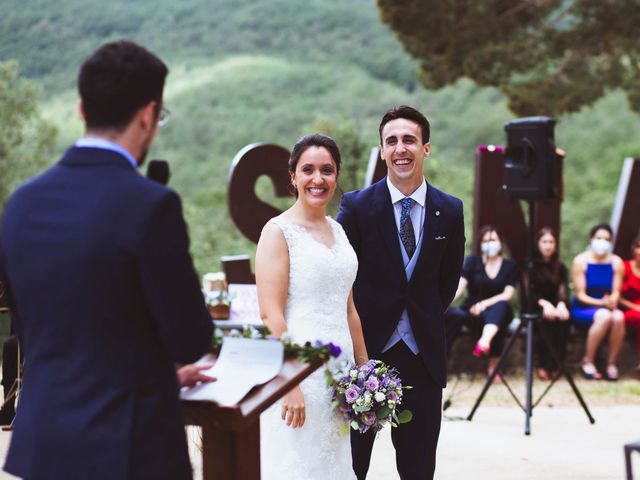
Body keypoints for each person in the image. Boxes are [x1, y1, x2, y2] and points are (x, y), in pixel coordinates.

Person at [0, 40, 214, 479]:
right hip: (129, 449)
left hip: (44, 446)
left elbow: (35, 325)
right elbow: (191, 339)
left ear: (81, 108)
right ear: (147, 116)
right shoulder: (151, 206)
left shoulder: (21, 204)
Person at [337, 105, 465, 479]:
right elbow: (341, 276)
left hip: (423, 359)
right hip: (365, 358)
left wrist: (418, 324)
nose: (400, 148)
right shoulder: (357, 207)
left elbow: (447, 283)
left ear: (425, 147)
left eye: (409, 139)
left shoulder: (450, 210)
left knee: (419, 467)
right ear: (381, 150)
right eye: (391, 141)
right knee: (352, 464)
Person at [256, 134, 368, 480]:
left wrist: (366, 374)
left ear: (336, 176)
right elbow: (270, 314)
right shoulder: (278, 232)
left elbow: (348, 309)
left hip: (341, 379)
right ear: (292, 176)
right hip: (301, 378)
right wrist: (291, 383)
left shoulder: (338, 231)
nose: (318, 179)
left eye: (327, 170)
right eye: (308, 170)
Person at [445, 225, 518, 376]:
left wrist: (484, 304)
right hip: (473, 310)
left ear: (500, 243)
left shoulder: (510, 266)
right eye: (485, 240)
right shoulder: (473, 261)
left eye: (492, 240)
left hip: (497, 308)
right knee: (454, 315)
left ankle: (487, 347)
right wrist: (444, 303)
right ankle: (442, 361)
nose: (489, 243)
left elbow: (508, 294)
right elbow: (460, 285)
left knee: (501, 308)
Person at [571, 223, 625, 380]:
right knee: (604, 316)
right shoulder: (580, 261)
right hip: (584, 308)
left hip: (607, 307)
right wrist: (602, 303)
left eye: (606, 239)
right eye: (599, 238)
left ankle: (611, 363)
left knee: (619, 317)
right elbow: (580, 295)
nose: (602, 242)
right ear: (591, 239)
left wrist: (612, 301)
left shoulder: (616, 262)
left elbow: (616, 292)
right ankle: (588, 361)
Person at [530, 227, 570, 381]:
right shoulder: (530, 266)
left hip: (557, 305)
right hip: (537, 306)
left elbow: (563, 289)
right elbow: (529, 293)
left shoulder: (560, 267)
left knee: (563, 319)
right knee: (546, 321)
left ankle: (558, 365)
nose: (548, 245)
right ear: (538, 244)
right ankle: (543, 365)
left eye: (551, 242)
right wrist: (545, 304)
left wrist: (561, 304)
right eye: (544, 241)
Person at [620, 233, 640, 371]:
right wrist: (634, 306)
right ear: (634, 249)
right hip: (626, 309)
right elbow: (616, 296)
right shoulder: (624, 267)